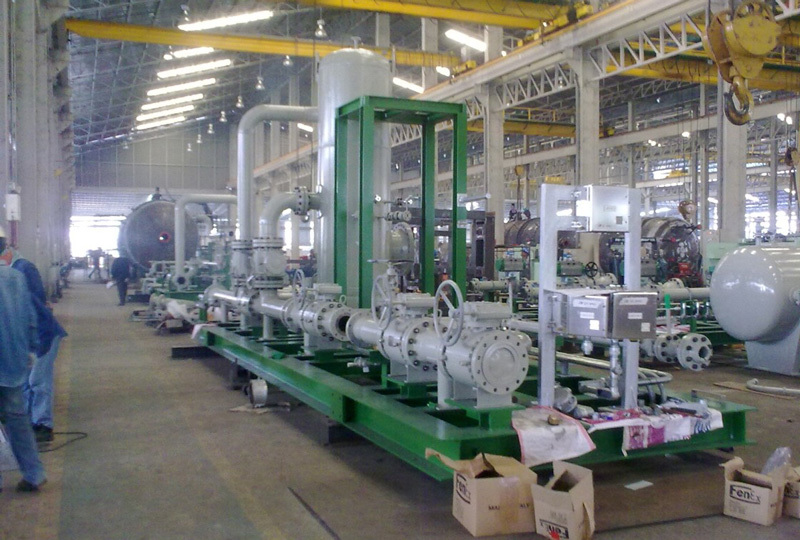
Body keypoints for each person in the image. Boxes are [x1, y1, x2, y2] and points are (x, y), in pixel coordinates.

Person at [0, 228, 67, 443]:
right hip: (27, 338)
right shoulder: (11, 273)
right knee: (27, 383)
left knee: (38, 381)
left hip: (43, 334)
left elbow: (35, 307)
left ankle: (43, 425)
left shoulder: (22, 269)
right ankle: (30, 422)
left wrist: (31, 343)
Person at [0, 230, 46, 493]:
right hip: (13, 361)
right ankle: (34, 474)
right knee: (18, 420)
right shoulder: (16, 277)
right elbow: (31, 317)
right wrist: (30, 350)